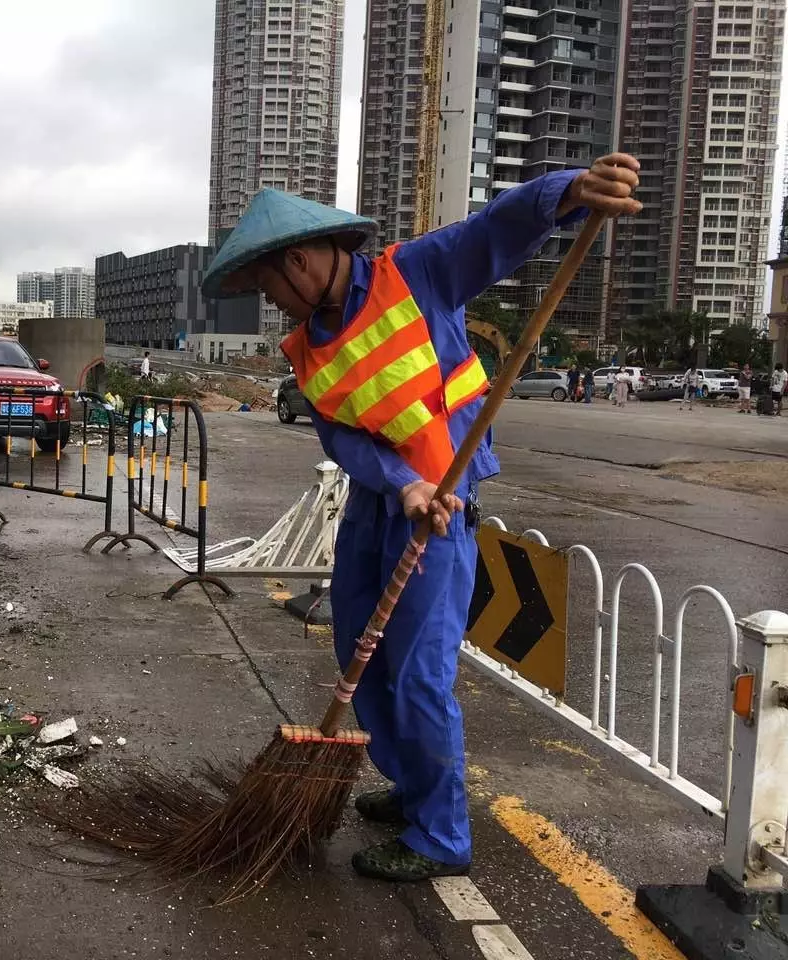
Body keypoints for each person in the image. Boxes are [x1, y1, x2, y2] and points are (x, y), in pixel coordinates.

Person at [199, 153, 641, 881]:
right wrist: (399, 481)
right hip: (383, 504)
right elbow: (340, 435)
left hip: (442, 512)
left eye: (266, 285)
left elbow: (492, 230)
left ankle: (440, 835)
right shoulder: (306, 347)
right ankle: (408, 784)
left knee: (415, 672)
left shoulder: (419, 273)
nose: (269, 302)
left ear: (303, 261)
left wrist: (564, 193)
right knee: (358, 649)